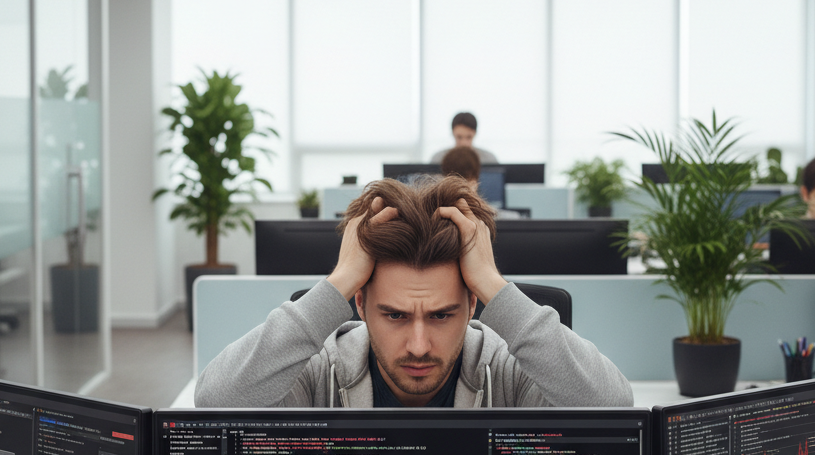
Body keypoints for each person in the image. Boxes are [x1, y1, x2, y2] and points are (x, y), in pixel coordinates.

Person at [195, 175, 631, 409]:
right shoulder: (321, 372)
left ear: (472, 304)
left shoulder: (506, 372)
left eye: (441, 315)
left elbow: (615, 406)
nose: (419, 346)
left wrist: (497, 287)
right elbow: (215, 400)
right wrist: (339, 281)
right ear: (360, 304)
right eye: (396, 315)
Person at [430, 112, 498, 165]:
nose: (464, 143)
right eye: (459, 137)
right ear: (453, 133)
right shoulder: (439, 159)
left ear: (475, 134)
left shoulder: (489, 159)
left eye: (469, 137)